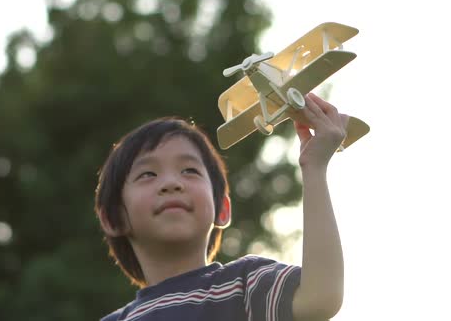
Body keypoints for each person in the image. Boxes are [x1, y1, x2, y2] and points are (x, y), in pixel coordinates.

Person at [95, 93, 347, 321]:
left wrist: (314, 168)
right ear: (114, 218)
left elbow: (320, 299)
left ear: (222, 208)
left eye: (189, 170)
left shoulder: (246, 284)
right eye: (148, 174)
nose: (171, 183)